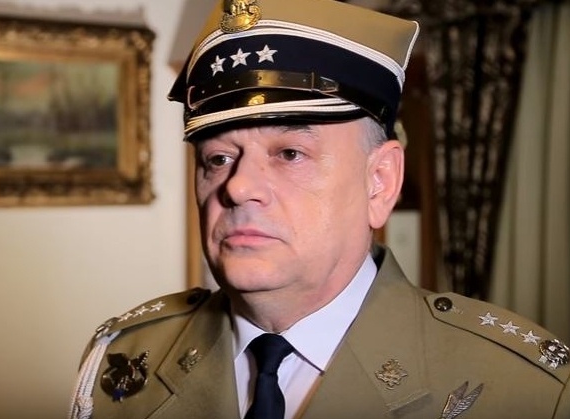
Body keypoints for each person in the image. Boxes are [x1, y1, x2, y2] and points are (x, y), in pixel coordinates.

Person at [68, 0, 570, 417]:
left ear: (380, 182)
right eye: (218, 158)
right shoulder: (124, 359)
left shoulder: (526, 391)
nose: (238, 187)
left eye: (289, 153)